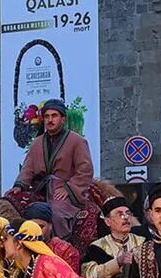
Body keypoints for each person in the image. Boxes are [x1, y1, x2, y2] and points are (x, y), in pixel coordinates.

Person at [9, 99, 99, 244]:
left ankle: (61, 247)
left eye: (54, 116)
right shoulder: (37, 143)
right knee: (10, 203)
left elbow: (85, 170)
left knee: (57, 213)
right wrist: (19, 186)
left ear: (63, 119)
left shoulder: (77, 141)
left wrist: (68, 188)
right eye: (47, 116)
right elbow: (28, 168)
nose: (50, 120)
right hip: (40, 189)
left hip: (63, 189)